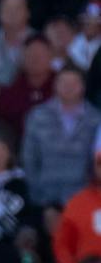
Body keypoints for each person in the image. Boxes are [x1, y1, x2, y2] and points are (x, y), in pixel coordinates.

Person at [22, 63, 101, 212]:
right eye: (64, 82)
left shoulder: (96, 119)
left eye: (74, 83)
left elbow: (97, 164)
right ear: (55, 85)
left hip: (84, 200)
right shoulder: (37, 116)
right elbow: (29, 159)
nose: (68, 87)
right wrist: (40, 199)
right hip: (43, 200)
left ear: (83, 86)